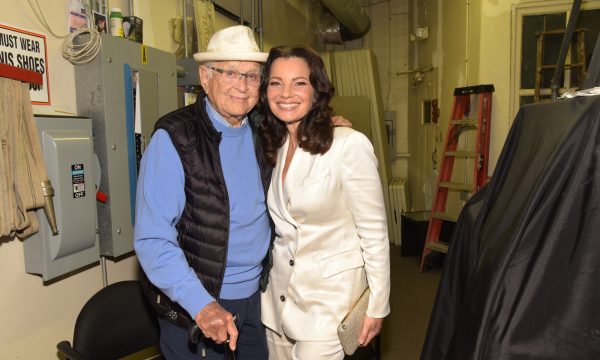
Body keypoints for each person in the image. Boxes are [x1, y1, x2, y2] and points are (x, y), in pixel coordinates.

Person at [134, 25, 272, 359]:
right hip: (197, 308)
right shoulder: (174, 139)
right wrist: (202, 305)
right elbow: (152, 240)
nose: (242, 86)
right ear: (205, 77)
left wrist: (330, 127)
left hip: (255, 301)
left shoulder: (264, 130)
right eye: (230, 73)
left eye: (252, 76)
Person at [258, 45, 391, 360]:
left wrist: (378, 304)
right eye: (276, 82)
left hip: (329, 305)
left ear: (316, 91)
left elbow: (374, 231)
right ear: (265, 92)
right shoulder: (273, 147)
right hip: (278, 302)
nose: (286, 92)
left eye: (299, 82)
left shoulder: (348, 145)